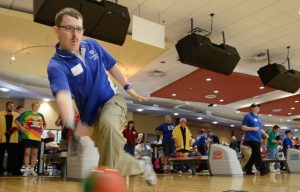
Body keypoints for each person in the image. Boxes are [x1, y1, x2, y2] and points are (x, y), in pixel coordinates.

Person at [47, 8, 156, 185]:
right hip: (90, 119)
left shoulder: (92, 45)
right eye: (68, 28)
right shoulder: (56, 65)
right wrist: (73, 124)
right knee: (112, 153)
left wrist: (129, 88)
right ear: (56, 30)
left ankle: (103, 184)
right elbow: (64, 97)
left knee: (108, 127)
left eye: (79, 29)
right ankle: (141, 166)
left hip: (112, 101)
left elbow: (112, 65)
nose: (75, 35)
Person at [15, 102, 46, 177]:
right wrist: (21, 127)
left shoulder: (40, 115)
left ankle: (32, 169)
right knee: (27, 153)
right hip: (27, 136)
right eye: (35, 106)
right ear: (32, 106)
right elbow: (16, 120)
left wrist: (43, 129)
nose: (37, 107)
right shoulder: (26, 113)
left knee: (35, 154)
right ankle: (26, 170)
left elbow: (44, 124)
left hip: (37, 137)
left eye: (38, 106)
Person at [241, 103, 268, 175]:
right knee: (258, 154)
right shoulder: (248, 116)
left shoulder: (258, 118)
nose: (258, 108)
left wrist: (265, 134)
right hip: (250, 138)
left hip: (258, 139)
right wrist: (252, 128)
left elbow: (260, 128)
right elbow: (243, 127)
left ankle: (248, 168)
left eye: (258, 107)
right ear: (252, 108)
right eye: (256, 107)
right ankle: (262, 169)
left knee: (255, 154)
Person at [0, 101, 20, 176]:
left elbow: (19, 125)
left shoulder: (17, 115)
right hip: (2, 138)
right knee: (0, 156)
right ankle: (0, 171)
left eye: (12, 106)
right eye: (9, 105)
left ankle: (11, 170)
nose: (11, 107)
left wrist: (10, 131)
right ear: (6, 106)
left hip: (13, 139)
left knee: (12, 156)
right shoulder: (0, 114)